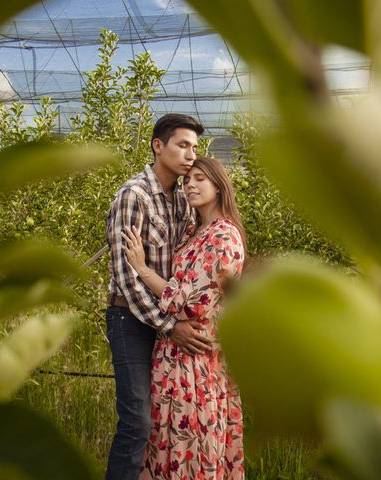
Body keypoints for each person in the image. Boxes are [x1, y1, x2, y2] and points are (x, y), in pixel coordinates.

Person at [122, 156, 246, 480]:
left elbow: (189, 303)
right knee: (164, 447)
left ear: (219, 186)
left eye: (200, 179)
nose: (190, 184)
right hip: (171, 356)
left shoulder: (225, 237)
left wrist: (142, 268)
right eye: (188, 179)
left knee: (192, 446)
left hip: (196, 360)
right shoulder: (194, 230)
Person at [106, 113, 211, 480]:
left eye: (194, 148)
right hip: (131, 320)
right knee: (136, 422)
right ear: (158, 145)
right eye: (183, 145)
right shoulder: (133, 196)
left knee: (163, 422)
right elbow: (127, 278)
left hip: (166, 319)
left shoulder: (181, 200)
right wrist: (171, 326)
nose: (190, 155)